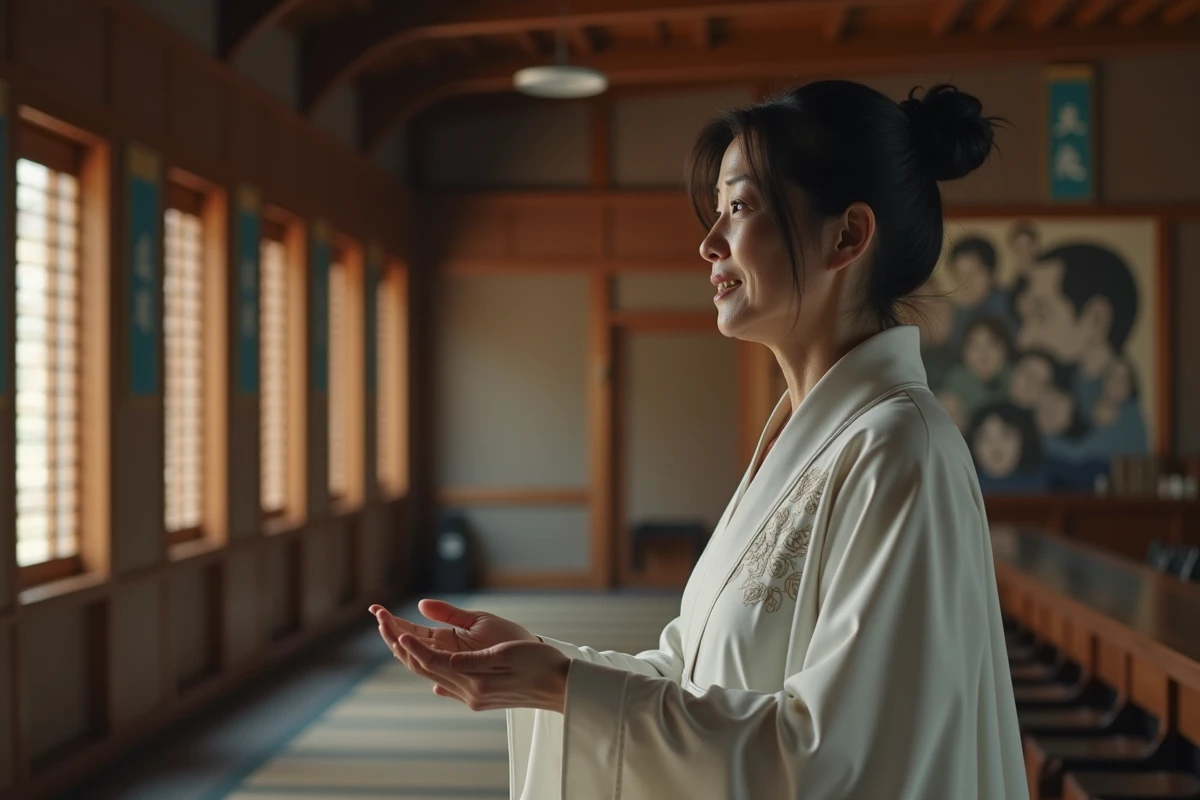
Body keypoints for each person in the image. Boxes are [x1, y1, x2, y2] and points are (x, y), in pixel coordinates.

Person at [370, 81, 1027, 799]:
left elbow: (838, 759)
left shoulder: (901, 449)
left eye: (739, 207)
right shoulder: (808, 435)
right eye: (717, 212)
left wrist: (566, 688)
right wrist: (543, 667)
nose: (709, 242)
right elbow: (692, 671)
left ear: (847, 235)